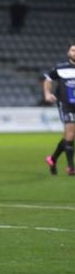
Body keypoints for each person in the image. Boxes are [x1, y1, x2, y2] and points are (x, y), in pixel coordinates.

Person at [43, 43, 75, 176]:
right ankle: (71, 167)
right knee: (71, 133)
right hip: (66, 104)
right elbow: (48, 79)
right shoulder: (61, 68)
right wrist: (47, 93)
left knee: (69, 136)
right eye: (73, 50)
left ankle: (53, 159)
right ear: (68, 52)